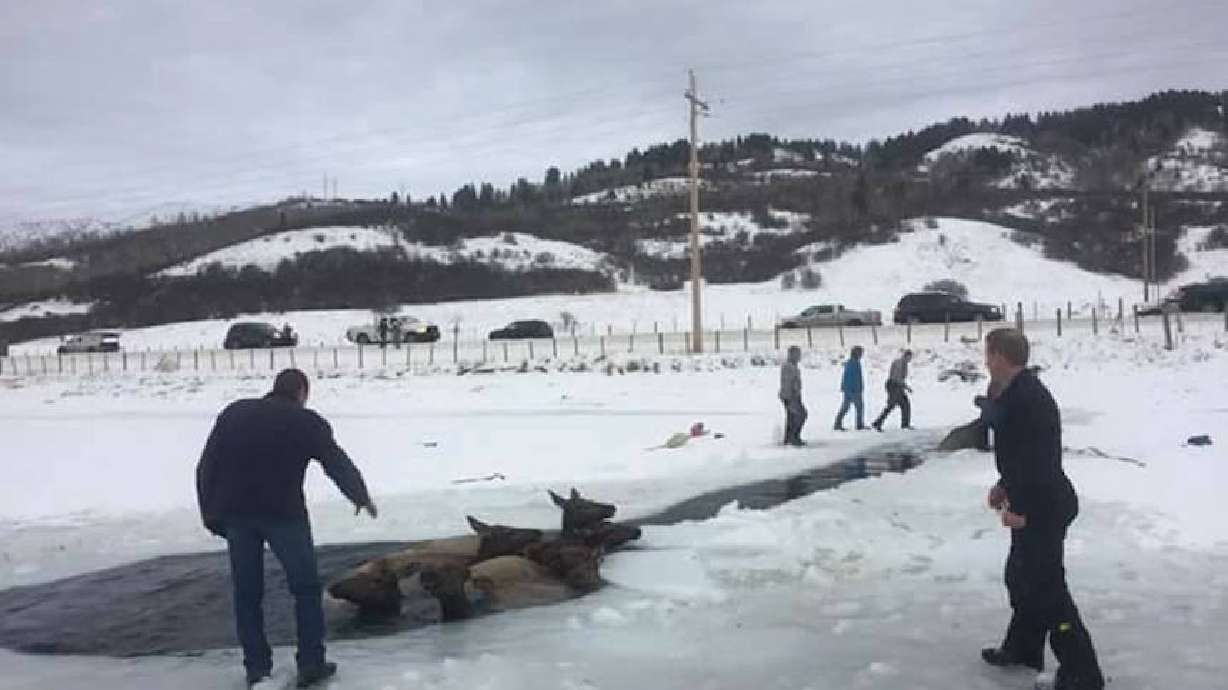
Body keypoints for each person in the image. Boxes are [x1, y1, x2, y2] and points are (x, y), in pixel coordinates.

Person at [196, 369, 378, 688]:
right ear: (302, 392)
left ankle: (256, 668)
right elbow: (336, 462)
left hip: (237, 515)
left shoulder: (234, 413)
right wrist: (359, 496)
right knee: (305, 589)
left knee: (247, 595)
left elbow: (206, 466)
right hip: (284, 515)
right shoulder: (307, 422)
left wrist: (211, 513)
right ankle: (311, 663)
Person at [980, 329, 1104, 690]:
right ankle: (1023, 647)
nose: (986, 362)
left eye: (988, 355)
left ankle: (1082, 672)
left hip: (1046, 504)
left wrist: (1028, 514)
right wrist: (1005, 486)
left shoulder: (1028, 399)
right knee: (1021, 577)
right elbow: (1019, 458)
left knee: (1048, 589)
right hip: (1033, 498)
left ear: (1002, 356)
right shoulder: (1017, 393)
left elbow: (1040, 462)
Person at [872, 349, 913, 431]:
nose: (910, 359)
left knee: (904, 405)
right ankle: (877, 423)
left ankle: (905, 424)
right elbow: (896, 377)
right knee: (893, 405)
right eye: (909, 357)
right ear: (906, 356)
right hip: (894, 386)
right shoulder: (899, 363)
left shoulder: (903, 363)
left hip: (897, 386)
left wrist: (904, 387)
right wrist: (906, 387)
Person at [778, 345, 807, 446]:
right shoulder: (788, 367)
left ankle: (789, 438)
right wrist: (792, 396)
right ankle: (794, 437)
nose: (799, 356)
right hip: (790, 396)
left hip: (792, 395)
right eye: (797, 354)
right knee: (801, 415)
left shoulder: (792, 366)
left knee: (792, 417)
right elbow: (787, 383)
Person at [834, 346, 866, 431]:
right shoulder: (854, 363)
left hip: (849, 389)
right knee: (859, 407)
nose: (862, 355)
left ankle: (837, 423)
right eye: (860, 353)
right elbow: (853, 378)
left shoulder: (851, 362)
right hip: (853, 389)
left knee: (845, 407)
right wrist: (857, 388)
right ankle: (859, 425)